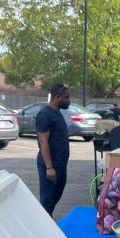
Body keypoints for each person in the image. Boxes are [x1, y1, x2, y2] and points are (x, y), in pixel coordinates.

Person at [36, 83, 71, 216]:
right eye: (67, 97)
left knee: (54, 199)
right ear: (58, 97)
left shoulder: (57, 113)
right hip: (51, 166)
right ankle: (44, 232)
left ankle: (48, 226)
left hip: (60, 165)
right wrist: (49, 167)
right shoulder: (44, 115)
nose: (69, 101)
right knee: (47, 202)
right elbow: (43, 142)